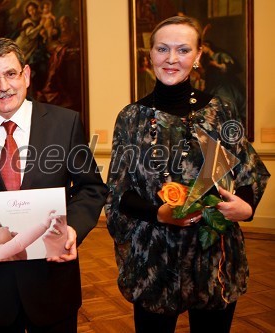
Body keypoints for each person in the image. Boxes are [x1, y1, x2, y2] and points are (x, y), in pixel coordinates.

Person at [105, 16, 270, 333]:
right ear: (150, 54)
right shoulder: (130, 117)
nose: (171, 59)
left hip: (214, 259)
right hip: (152, 260)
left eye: (183, 50)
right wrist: (160, 214)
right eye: (162, 49)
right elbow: (118, 193)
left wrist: (246, 207)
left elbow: (247, 168)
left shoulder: (218, 110)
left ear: (197, 56)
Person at [0, 37, 107, 332]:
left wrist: (73, 229)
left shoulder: (65, 123)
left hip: (53, 284)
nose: (3, 86)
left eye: (10, 74)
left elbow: (91, 188)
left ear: (26, 75)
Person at [0, 211, 67, 262]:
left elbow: (22, 258)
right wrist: (43, 226)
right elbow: (20, 243)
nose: (6, 226)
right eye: (0, 226)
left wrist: (19, 248)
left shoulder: (0, 255)